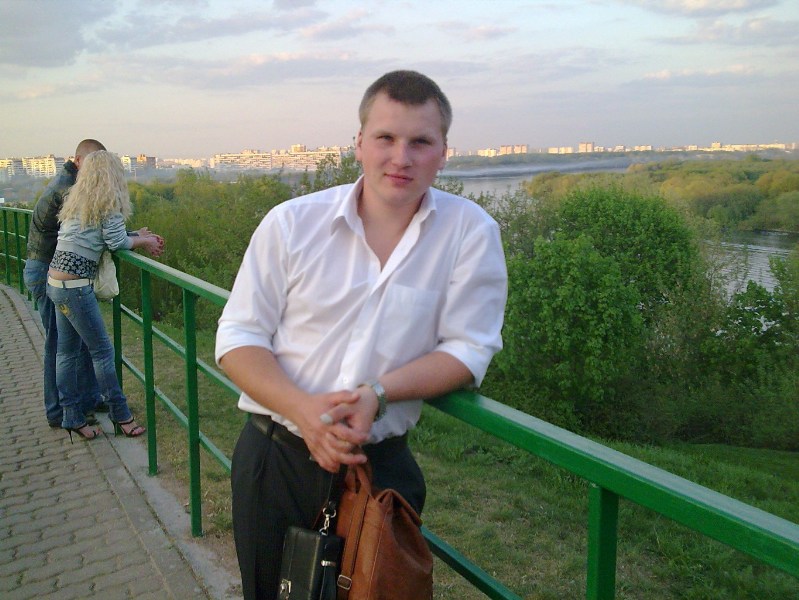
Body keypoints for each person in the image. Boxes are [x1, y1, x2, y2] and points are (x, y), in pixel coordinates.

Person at [216, 70, 508, 599]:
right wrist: (304, 411)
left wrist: (378, 392)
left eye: (421, 142)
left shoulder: (470, 232)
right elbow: (238, 337)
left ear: (444, 152)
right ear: (358, 143)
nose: (401, 157)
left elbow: (470, 349)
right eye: (385, 137)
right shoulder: (291, 224)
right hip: (276, 459)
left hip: (381, 471)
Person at [46, 150, 164, 441]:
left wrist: (137, 235)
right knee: (102, 352)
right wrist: (144, 241)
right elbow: (115, 241)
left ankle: (72, 417)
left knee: (66, 353)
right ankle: (121, 416)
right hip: (75, 288)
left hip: (56, 281)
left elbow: (97, 235)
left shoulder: (77, 200)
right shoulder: (108, 203)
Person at [24, 139, 107, 428]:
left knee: (74, 341)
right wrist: (132, 237)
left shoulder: (68, 183)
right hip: (47, 271)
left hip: (50, 270)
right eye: (94, 163)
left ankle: (88, 399)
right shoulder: (68, 190)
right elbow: (92, 228)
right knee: (59, 344)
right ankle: (58, 410)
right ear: (79, 160)